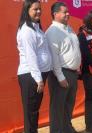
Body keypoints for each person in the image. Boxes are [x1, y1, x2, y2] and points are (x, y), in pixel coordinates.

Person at [45, 2, 81, 133]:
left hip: (72, 73)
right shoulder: (52, 31)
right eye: (64, 12)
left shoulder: (68, 28)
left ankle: (67, 128)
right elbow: (54, 57)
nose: (68, 14)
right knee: (57, 107)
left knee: (68, 105)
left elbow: (73, 49)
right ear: (55, 14)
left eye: (68, 11)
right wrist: (60, 77)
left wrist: (77, 66)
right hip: (60, 75)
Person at [16, 0, 52, 132]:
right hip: (30, 76)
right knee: (30, 113)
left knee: (34, 111)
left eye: (39, 9)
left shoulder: (36, 27)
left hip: (38, 74)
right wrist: (38, 79)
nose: (38, 11)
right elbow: (31, 56)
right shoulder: (26, 30)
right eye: (35, 9)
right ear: (27, 10)